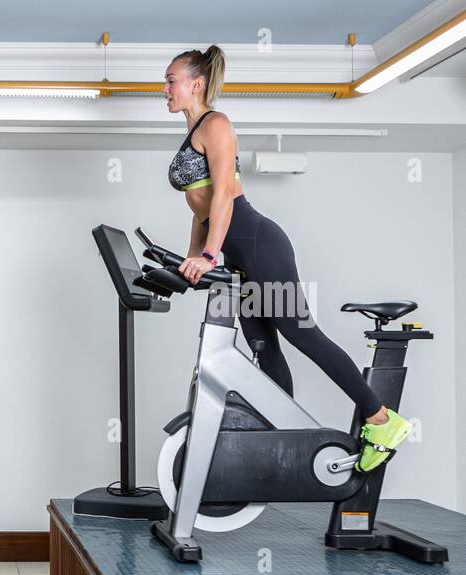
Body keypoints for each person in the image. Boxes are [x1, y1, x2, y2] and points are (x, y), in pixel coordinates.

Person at [163, 46, 411, 472]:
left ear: (196, 84)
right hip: (238, 254)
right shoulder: (192, 133)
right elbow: (201, 208)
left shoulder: (215, 124)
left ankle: (382, 420)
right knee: (263, 348)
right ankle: (281, 441)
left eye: (171, 81)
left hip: (258, 243)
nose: (164, 89)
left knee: (302, 334)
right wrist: (191, 257)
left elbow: (224, 196)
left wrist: (208, 254)